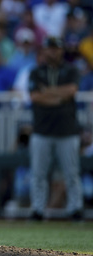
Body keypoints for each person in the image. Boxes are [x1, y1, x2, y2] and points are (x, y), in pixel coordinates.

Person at [28, 37, 83, 221]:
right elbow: (35, 96)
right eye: (49, 48)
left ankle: (75, 209)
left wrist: (48, 92)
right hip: (42, 130)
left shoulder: (70, 70)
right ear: (44, 51)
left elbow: (71, 91)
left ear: (61, 50)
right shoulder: (36, 72)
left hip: (67, 130)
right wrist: (59, 97)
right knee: (38, 174)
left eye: (56, 48)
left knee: (71, 173)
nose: (53, 52)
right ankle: (38, 210)